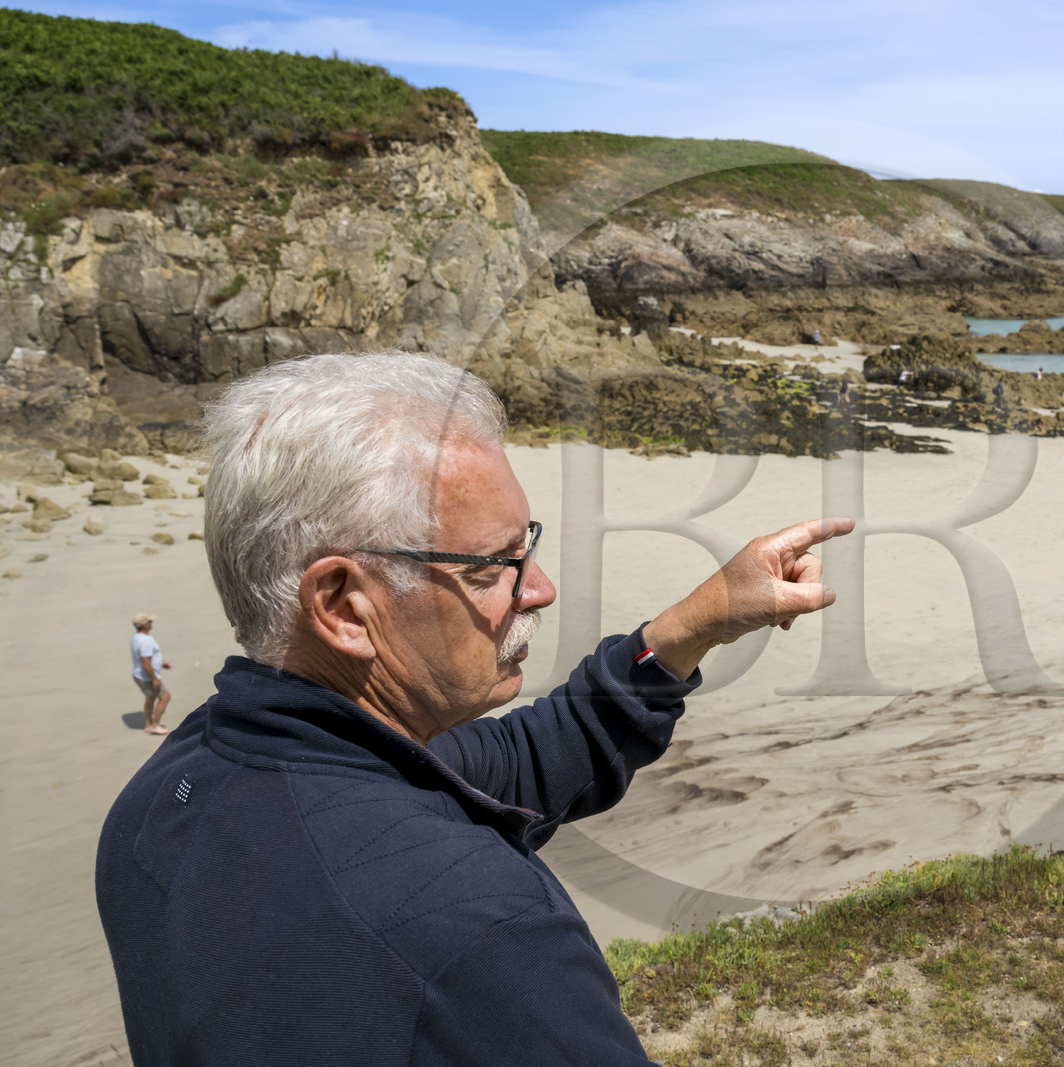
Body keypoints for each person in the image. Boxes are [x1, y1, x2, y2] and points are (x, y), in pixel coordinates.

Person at [95, 351, 853, 1065]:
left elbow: (524, 759)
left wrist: (704, 617)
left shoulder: (159, 798)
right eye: (495, 565)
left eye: (529, 547)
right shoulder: (478, 931)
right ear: (344, 605)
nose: (539, 589)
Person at [129, 613, 172, 735]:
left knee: (150, 698)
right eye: (149, 621)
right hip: (147, 677)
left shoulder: (137, 637)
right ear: (144, 625)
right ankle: (156, 725)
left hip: (139, 675)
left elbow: (145, 657)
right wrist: (154, 679)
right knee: (165, 697)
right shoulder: (145, 641)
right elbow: (145, 662)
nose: (151, 623)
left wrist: (160, 662)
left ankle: (149, 725)